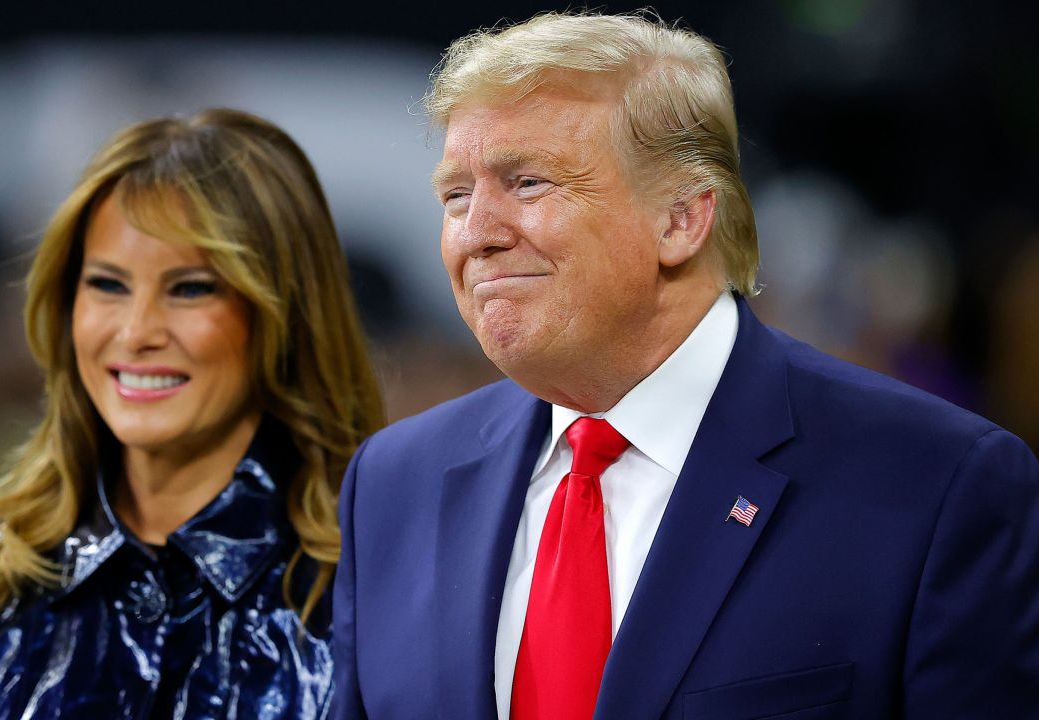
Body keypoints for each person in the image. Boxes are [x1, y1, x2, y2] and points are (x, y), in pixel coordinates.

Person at [332, 11, 1039, 720]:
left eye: (528, 183)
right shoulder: (394, 487)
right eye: (456, 195)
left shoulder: (938, 486)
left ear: (680, 219)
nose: (476, 235)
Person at [0, 109, 385, 720]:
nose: (136, 332)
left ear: (286, 315)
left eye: (190, 288)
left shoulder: (370, 585)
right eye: (107, 285)